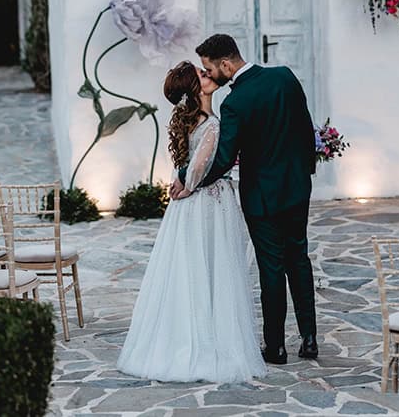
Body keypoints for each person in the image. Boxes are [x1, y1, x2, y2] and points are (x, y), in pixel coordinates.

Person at [171, 34, 318, 365]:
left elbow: (223, 158)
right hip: (296, 188)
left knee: (271, 266)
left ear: (226, 64)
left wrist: (186, 176)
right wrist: (305, 171)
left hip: (261, 197)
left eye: (210, 69)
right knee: (299, 257)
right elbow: (306, 130)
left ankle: (276, 347)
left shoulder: (235, 102)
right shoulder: (285, 76)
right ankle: (310, 339)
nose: (210, 75)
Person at [117, 60, 267, 383]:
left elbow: (187, 168)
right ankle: (206, 341)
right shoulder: (211, 124)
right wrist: (188, 184)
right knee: (212, 269)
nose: (208, 75)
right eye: (202, 74)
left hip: (190, 207)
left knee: (192, 269)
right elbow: (197, 170)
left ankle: (192, 333)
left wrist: (183, 184)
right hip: (209, 205)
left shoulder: (189, 122)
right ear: (195, 89)